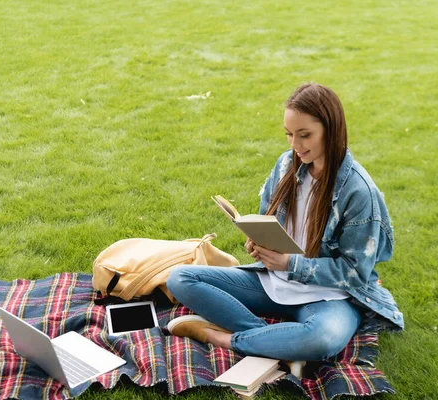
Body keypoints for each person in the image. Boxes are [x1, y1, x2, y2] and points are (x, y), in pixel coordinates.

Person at [165, 83, 404, 365]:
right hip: (272, 283)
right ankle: (276, 341)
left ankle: (223, 338)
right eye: (289, 134)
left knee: (322, 339)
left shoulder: (358, 191)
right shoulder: (285, 166)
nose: (295, 145)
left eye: (305, 135)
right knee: (180, 278)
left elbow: (355, 273)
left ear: (332, 129)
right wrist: (257, 242)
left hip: (329, 298)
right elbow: (268, 220)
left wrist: (291, 264)